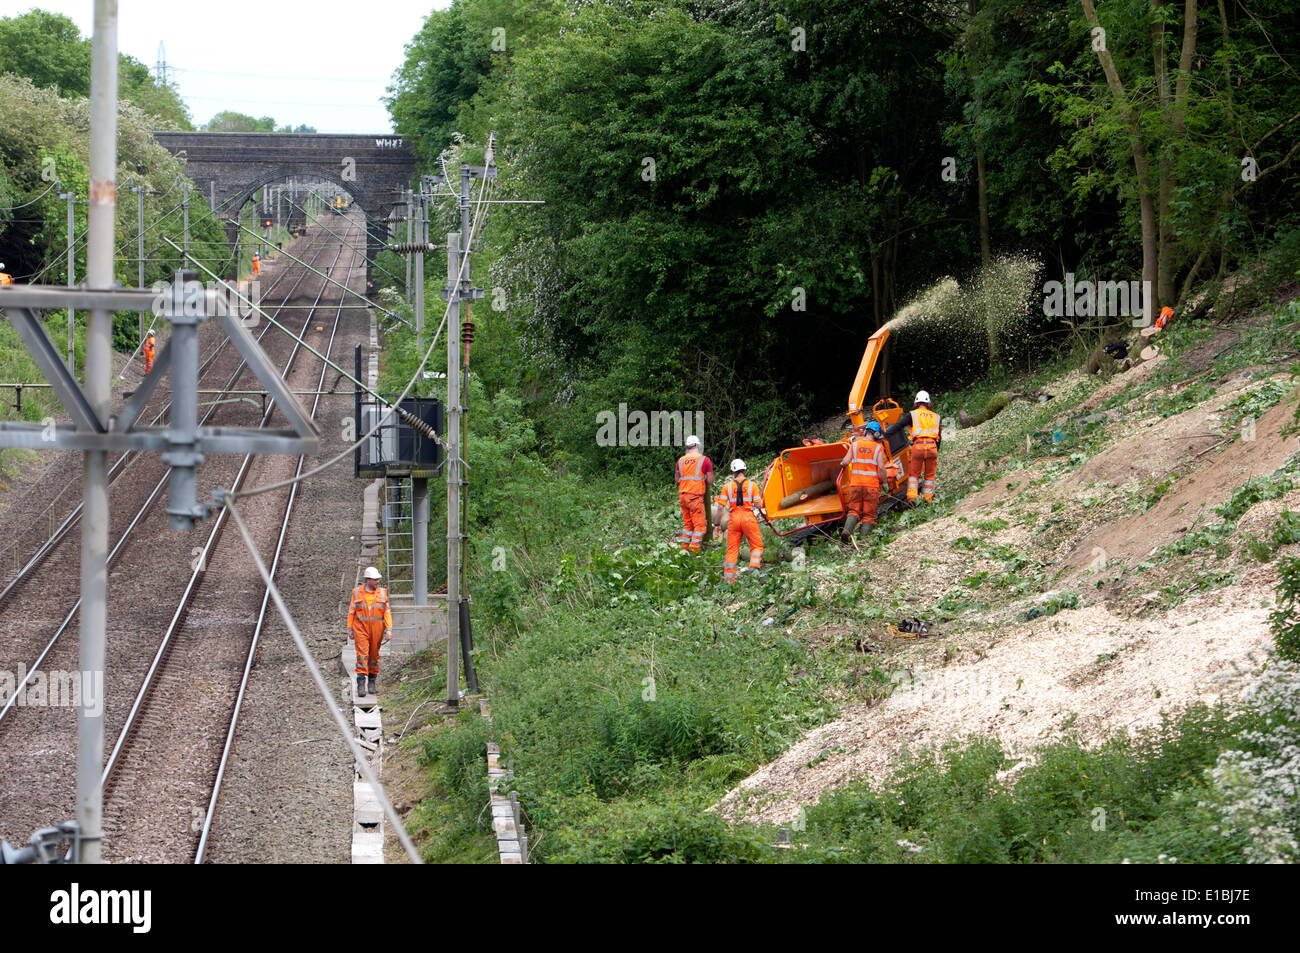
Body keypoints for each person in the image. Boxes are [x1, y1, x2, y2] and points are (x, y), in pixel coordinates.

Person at [839, 421, 894, 539]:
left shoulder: (854, 444)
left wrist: (841, 464)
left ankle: (846, 532)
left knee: (854, 511)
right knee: (869, 515)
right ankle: (863, 541)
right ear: (877, 434)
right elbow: (881, 468)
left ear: (865, 432)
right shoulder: (878, 448)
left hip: (855, 485)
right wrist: (885, 483)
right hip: (871, 486)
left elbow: (845, 462)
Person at [885, 390, 942, 503]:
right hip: (932, 447)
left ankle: (912, 498)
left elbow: (898, 426)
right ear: (928, 404)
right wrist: (936, 451)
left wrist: (884, 435)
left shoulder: (912, 415)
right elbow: (939, 437)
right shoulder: (936, 417)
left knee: (913, 475)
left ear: (916, 404)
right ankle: (928, 499)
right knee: (929, 476)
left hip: (918, 447)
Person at [347, 566, 392, 697]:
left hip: (377, 630)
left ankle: (372, 681)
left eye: (378, 579)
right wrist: (350, 628)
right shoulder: (356, 593)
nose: (377, 581)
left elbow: (387, 613)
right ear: (368, 580)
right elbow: (351, 612)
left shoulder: (383, 593)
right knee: (362, 655)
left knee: (373, 656)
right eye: (375, 579)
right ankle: (361, 683)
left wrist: (389, 629)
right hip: (361, 629)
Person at [720, 459, 763, 583]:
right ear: (744, 470)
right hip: (748, 517)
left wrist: (717, 524)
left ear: (733, 472)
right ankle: (754, 567)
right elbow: (759, 505)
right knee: (756, 545)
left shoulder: (726, 486)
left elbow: (720, 507)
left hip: (733, 519)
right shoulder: (752, 485)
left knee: (732, 549)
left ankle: (728, 580)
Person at [674, 435, 713, 552]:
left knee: (688, 526)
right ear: (697, 445)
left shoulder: (680, 461)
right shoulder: (704, 460)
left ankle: (684, 550)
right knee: (700, 526)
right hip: (695, 497)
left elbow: (677, 479)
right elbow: (710, 481)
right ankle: (694, 551)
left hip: (683, 496)